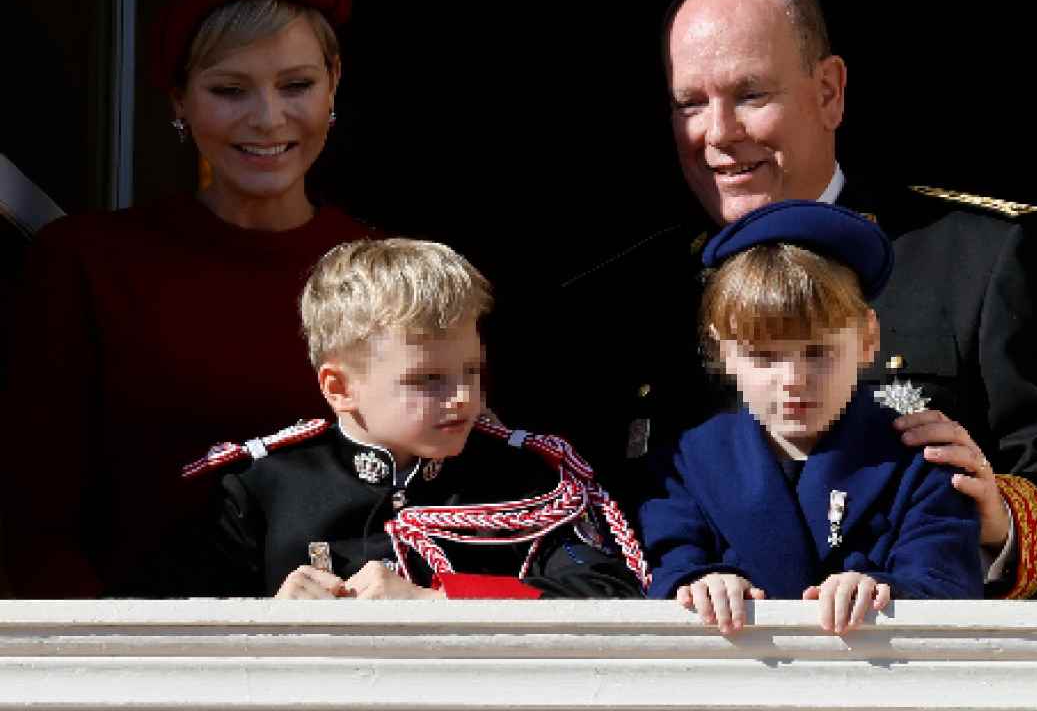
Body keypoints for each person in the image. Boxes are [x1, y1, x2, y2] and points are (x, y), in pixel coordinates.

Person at [540, 0, 1037, 599]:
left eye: (751, 95)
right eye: (691, 104)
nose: (718, 132)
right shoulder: (623, 296)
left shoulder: (978, 257)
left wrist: (992, 515)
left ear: (829, 92)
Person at [0, 0, 375, 597]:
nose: (267, 119)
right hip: (130, 660)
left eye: (297, 85)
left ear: (334, 82)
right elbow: (30, 522)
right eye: (230, 90)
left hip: (343, 664)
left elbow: (447, 498)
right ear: (178, 98)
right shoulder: (86, 264)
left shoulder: (390, 274)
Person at [117, 238, 648, 599]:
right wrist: (270, 612)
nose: (464, 397)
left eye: (471, 371)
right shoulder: (262, 488)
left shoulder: (525, 480)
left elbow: (613, 595)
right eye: (428, 380)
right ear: (340, 388)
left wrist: (442, 601)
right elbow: (148, 614)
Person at [640, 200, 982, 634]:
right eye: (763, 357)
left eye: (819, 353)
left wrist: (888, 592)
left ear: (867, 338)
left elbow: (946, 581)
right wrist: (697, 585)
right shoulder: (686, 465)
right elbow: (666, 563)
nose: (794, 380)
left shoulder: (918, 460)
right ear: (722, 351)